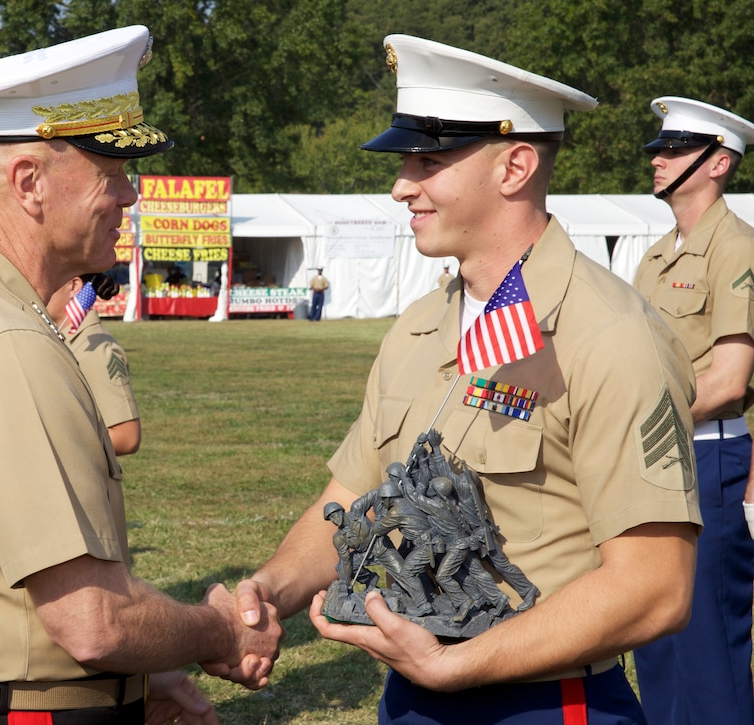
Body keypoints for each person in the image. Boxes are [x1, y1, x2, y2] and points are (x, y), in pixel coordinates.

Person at [220, 35, 701, 724]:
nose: (401, 185)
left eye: (430, 160)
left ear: (515, 165)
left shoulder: (610, 335)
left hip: (544, 702)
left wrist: (455, 663)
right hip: (413, 695)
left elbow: (656, 585)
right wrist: (267, 591)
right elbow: (352, 497)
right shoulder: (419, 327)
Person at [0, 26, 280, 725]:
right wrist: (221, 630)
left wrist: (143, 683)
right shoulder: (6, 343)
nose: (128, 197)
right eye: (110, 173)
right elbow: (92, 621)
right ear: (30, 183)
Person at [630, 97, 754, 725]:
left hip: (709, 455)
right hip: (655, 462)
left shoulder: (736, 249)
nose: (658, 157)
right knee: (654, 634)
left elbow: (730, 380)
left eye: (676, 149)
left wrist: (631, 426)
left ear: (719, 163)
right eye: (660, 147)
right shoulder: (655, 254)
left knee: (707, 646)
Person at [47, 273, 142, 455]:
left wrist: (52, 448)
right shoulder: (69, 341)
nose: (36, 289)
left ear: (74, 286)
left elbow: (126, 437)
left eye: (47, 280)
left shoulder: (94, 351)